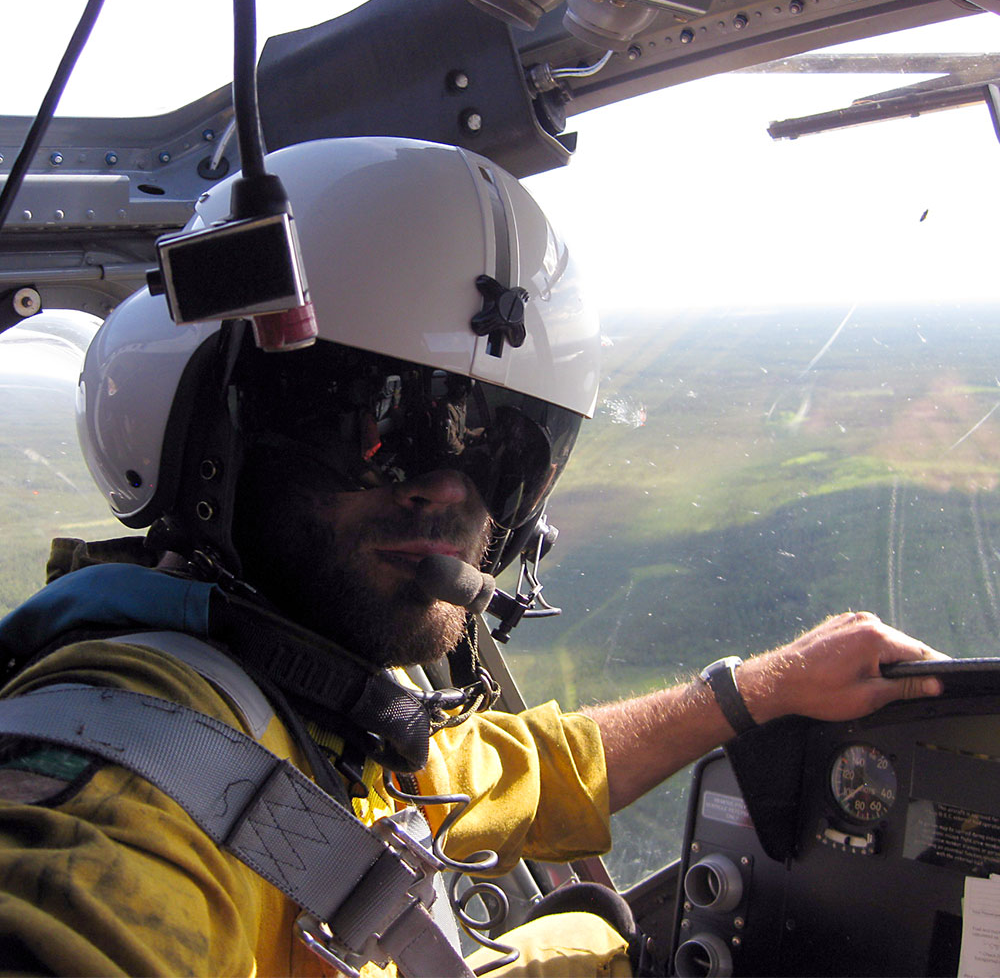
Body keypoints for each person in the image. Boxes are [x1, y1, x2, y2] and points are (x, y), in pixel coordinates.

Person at [0, 136, 944, 978]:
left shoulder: (305, 715)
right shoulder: (128, 763)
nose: (451, 492)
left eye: (505, 451)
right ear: (211, 444)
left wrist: (758, 691)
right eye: (377, 426)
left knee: (590, 941)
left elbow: (499, 767)